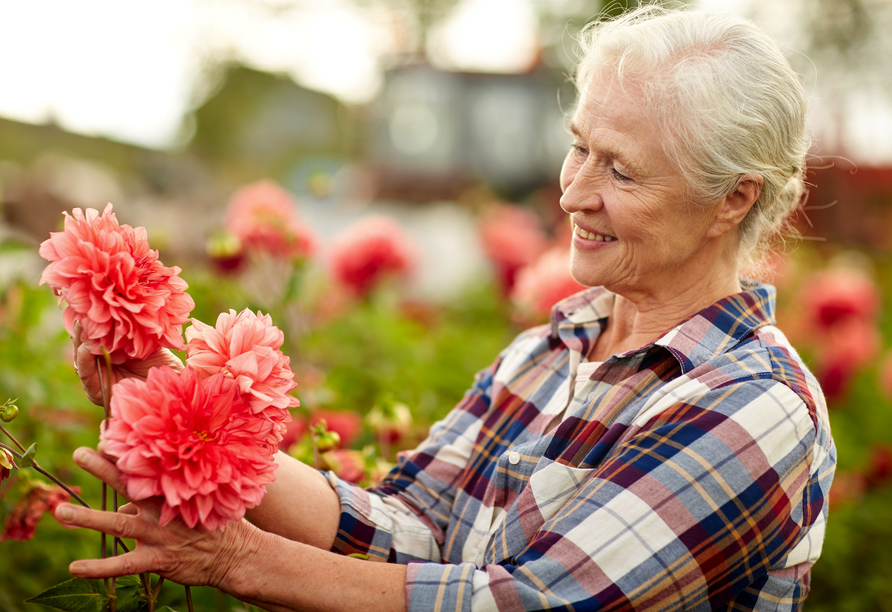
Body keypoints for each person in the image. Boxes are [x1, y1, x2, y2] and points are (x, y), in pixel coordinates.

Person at [55, 5, 836, 611]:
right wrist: (178, 410)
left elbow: (538, 601)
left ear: (732, 199)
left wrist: (238, 559)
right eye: (578, 146)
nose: (571, 192)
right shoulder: (548, 352)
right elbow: (408, 528)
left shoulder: (756, 404)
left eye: (621, 172)